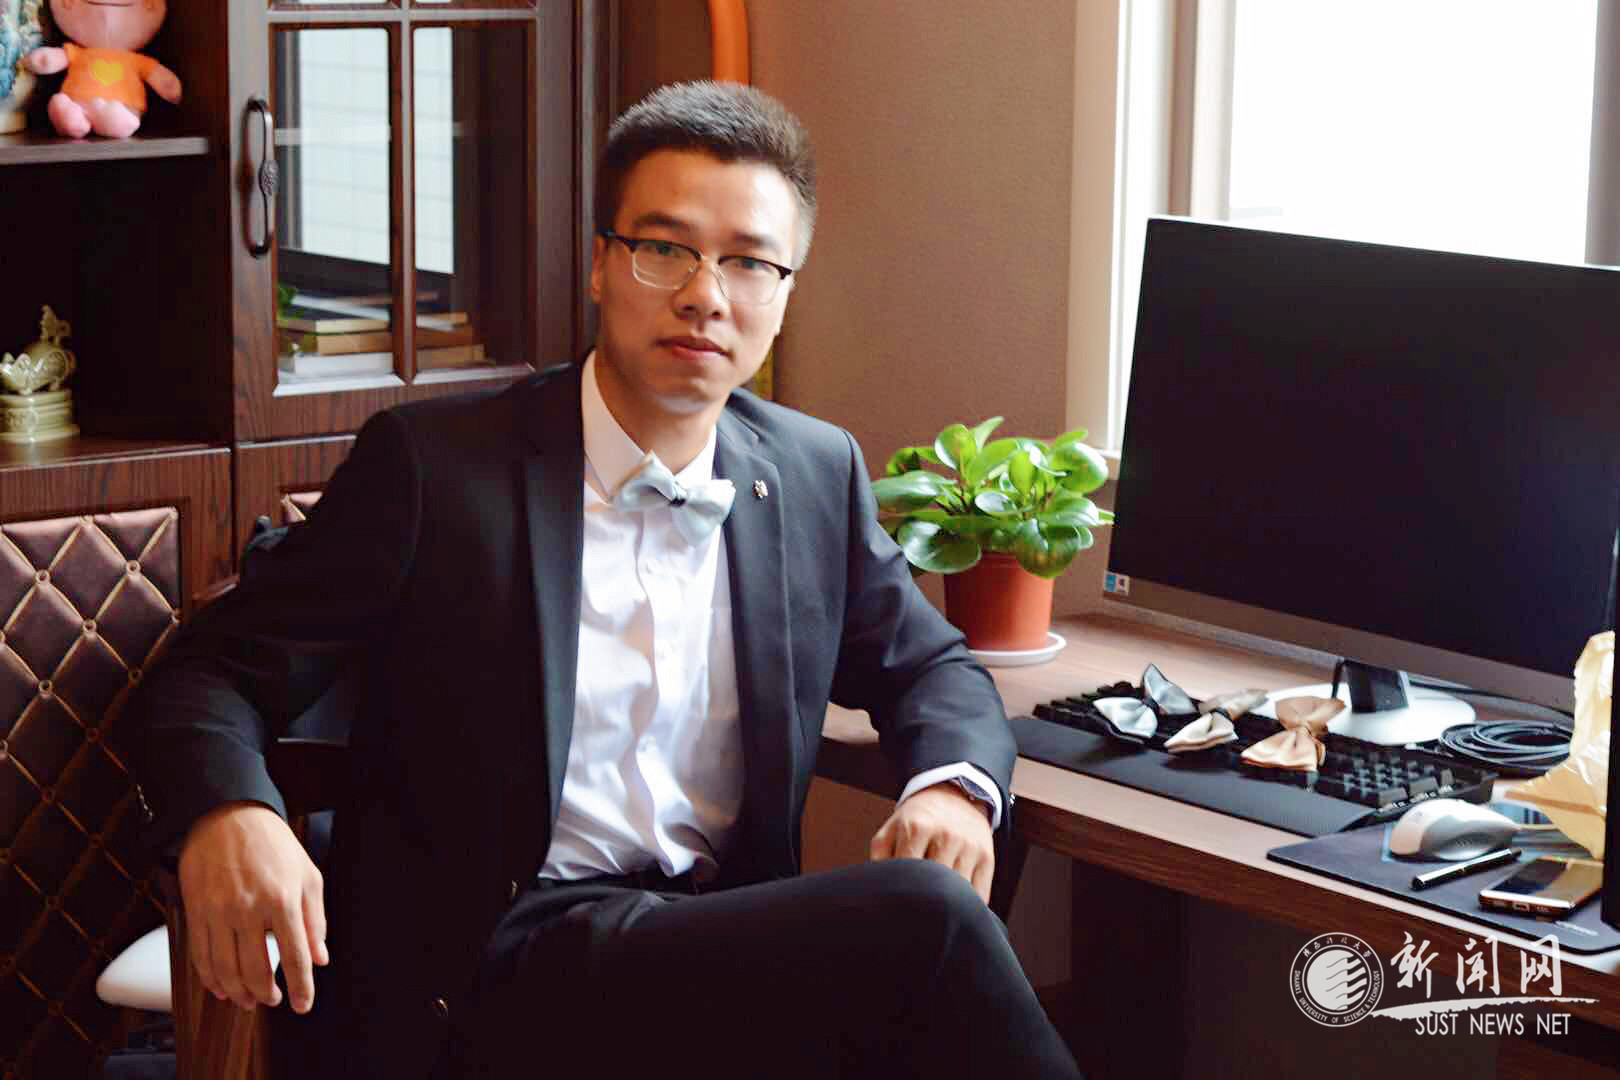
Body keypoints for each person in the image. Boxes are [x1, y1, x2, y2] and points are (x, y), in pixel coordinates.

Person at [130, 81, 1083, 1079]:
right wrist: (232, 813)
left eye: (749, 262)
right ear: (599, 263)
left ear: (784, 293)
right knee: (930, 925)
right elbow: (207, 675)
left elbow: (932, 668)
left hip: (715, 951)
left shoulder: (811, 472)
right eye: (665, 248)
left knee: (921, 962)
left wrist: (955, 788)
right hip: (495, 971)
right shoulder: (436, 469)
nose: (706, 294)